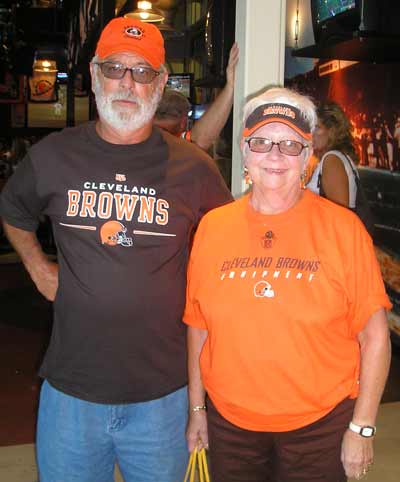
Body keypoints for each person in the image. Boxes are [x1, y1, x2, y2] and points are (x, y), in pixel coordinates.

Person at [0, 17, 232, 482]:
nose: (128, 83)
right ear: (93, 75)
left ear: (161, 81)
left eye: (143, 72)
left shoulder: (194, 168)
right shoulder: (52, 156)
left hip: (164, 397)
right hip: (71, 395)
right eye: (115, 69)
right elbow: (13, 211)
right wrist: (39, 268)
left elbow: (228, 245)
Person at [183, 87, 392, 482]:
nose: (275, 155)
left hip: (320, 428)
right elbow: (198, 326)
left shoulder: (343, 230)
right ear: (245, 152)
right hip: (231, 426)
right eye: (261, 142)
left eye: (289, 144)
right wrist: (198, 409)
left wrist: (361, 427)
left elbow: (375, 336)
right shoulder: (213, 228)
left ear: (308, 156)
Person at [154, 43, 239, 150]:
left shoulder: (138, 134)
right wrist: (230, 86)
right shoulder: (174, 144)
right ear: (183, 122)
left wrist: (230, 86)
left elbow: (199, 140)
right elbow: (199, 141)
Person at [307, 101, 359, 208]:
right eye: (311, 127)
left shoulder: (332, 159)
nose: (311, 133)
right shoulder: (337, 158)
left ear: (332, 131)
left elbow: (339, 214)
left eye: (317, 127)